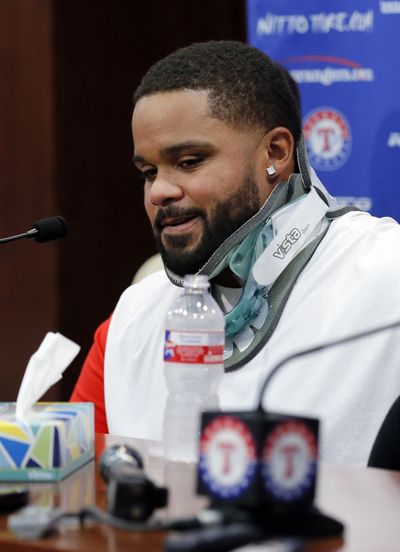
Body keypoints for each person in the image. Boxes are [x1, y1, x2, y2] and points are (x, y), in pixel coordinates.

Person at [71, 40, 400, 465]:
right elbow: (76, 494)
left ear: (276, 153)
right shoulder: (132, 319)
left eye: (189, 161)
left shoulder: (388, 275)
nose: (160, 191)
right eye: (149, 172)